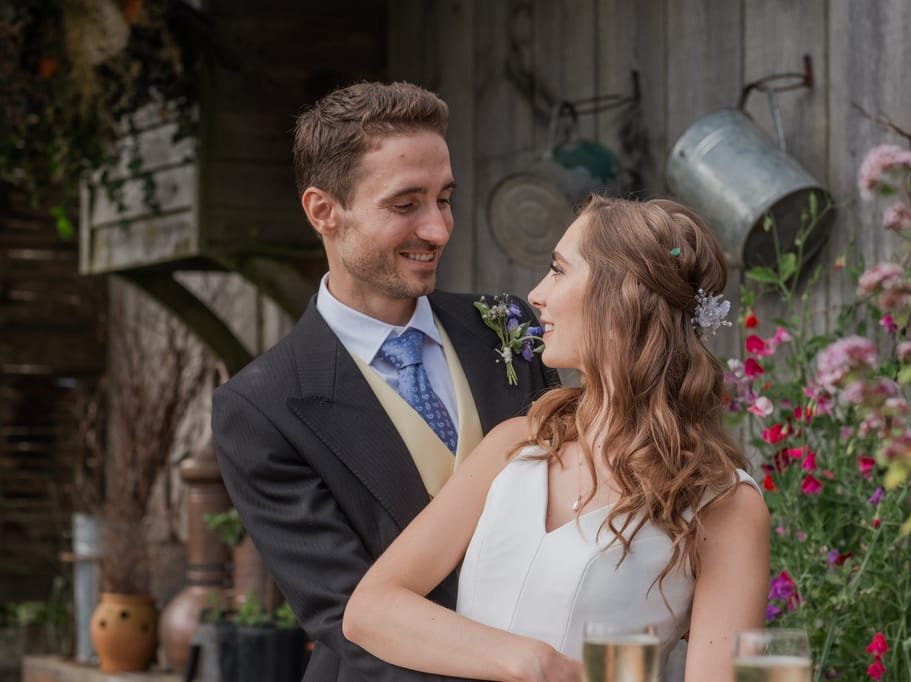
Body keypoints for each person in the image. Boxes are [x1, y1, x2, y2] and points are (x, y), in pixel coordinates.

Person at [343, 194, 771, 682]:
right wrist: (533, 662)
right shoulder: (517, 445)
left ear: (621, 298)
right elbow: (371, 609)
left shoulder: (723, 503)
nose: (537, 294)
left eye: (559, 270)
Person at [211, 81, 558, 682]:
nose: (439, 230)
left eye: (444, 198)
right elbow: (348, 615)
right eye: (406, 205)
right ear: (324, 211)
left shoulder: (510, 328)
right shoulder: (259, 407)